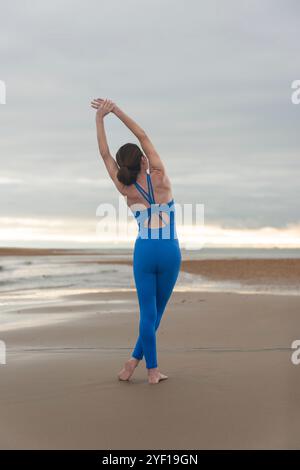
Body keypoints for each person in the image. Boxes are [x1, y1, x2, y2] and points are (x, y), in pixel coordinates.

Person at [90, 98, 181, 384]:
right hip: (168, 250)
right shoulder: (161, 178)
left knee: (147, 313)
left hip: (144, 251)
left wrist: (99, 120)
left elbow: (105, 155)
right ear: (143, 159)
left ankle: (137, 365)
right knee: (156, 314)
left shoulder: (125, 187)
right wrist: (115, 111)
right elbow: (142, 135)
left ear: (123, 166)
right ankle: (149, 371)